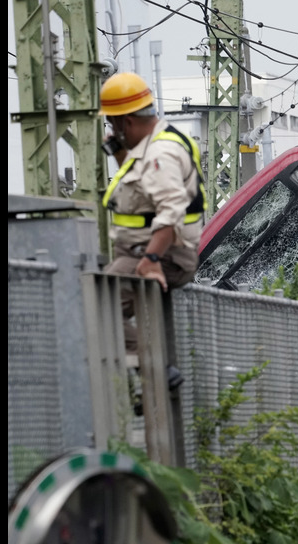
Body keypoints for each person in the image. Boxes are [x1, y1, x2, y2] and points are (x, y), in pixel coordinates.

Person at [98, 72, 207, 389]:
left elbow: (170, 210)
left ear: (126, 121)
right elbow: (143, 195)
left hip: (164, 255)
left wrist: (152, 260)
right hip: (152, 252)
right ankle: (145, 379)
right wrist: (120, 153)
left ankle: (153, 371)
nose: (111, 129)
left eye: (112, 123)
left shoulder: (160, 155)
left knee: (100, 304)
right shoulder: (157, 144)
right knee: (102, 301)